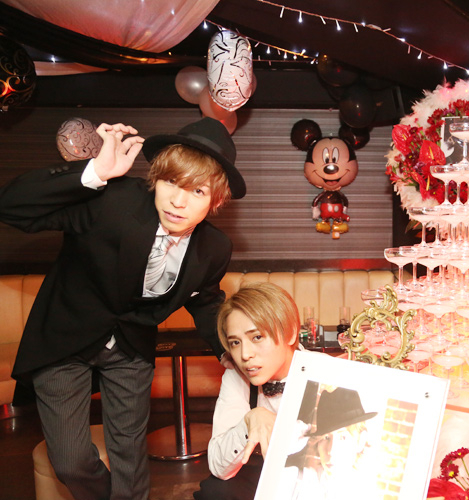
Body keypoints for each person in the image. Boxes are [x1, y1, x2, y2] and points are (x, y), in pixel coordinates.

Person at [0, 117, 245, 500]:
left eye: (197, 191)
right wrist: (93, 173)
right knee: (70, 462)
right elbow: (11, 207)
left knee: (130, 460)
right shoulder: (112, 200)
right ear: (156, 178)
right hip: (65, 341)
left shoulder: (214, 248)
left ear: (215, 200)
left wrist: (228, 349)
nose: (178, 201)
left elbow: (205, 300)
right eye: (171, 182)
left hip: (130, 350)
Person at [193, 281, 301, 500]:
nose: (244, 355)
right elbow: (218, 467)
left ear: (290, 333)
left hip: (312, 477)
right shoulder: (237, 375)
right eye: (235, 342)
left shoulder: (325, 374)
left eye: (257, 337)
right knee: (215, 491)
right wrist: (251, 420)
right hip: (263, 471)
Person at [284, 386, 378, 500]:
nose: (331, 451)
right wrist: (282, 446)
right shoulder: (297, 483)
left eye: (343, 437)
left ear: (361, 441)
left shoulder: (367, 495)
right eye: (326, 437)